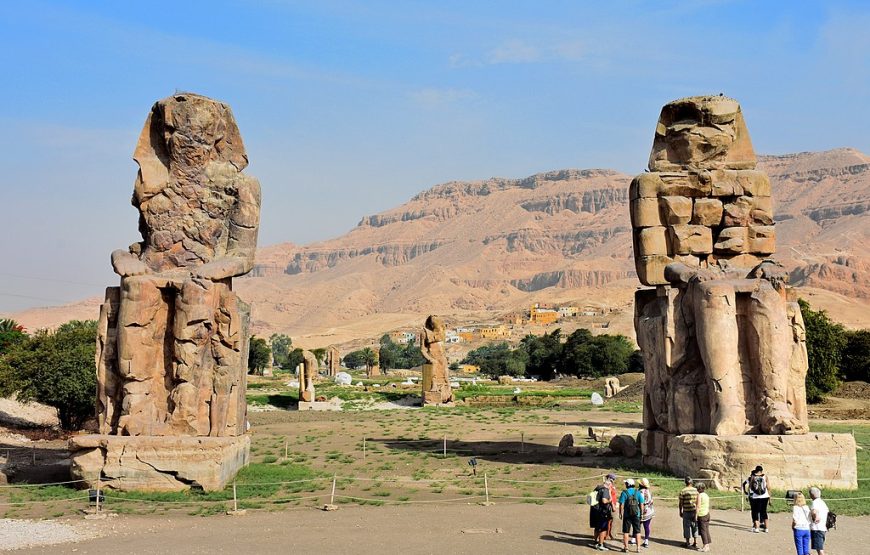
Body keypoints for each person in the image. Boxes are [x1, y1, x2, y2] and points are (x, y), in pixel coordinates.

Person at [618, 478, 645, 553]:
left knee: (626, 532)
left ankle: (626, 548)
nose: (625, 484)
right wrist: (642, 514)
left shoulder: (624, 493)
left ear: (628, 484)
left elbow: (621, 504)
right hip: (637, 514)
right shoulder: (638, 492)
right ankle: (638, 548)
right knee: (637, 531)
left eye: (626, 483)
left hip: (627, 515)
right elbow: (641, 504)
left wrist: (620, 513)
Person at [742, 465, 771, 532]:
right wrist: (770, 497)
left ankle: (757, 528)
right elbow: (769, 487)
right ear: (761, 470)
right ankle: (766, 528)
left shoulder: (752, 476)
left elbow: (749, 486)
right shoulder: (765, 476)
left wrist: (747, 493)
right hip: (765, 496)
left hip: (755, 496)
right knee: (764, 512)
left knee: (755, 512)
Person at [590, 477, 614, 551]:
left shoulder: (598, 488)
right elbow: (604, 501)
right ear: (609, 484)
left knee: (597, 527)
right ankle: (600, 544)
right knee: (603, 529)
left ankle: (595, 541)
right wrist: (610, 500)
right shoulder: (605, 490)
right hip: (602, 512)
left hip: (595, 510)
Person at [679, 477, 700, 549]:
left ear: (685, 482)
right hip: (694, 511)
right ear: (691, 482)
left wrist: (680, 511)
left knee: (686, 527)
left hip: (686, 511)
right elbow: (698, 502)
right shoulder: (696, 491)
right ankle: (695, 542)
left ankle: (687, 543)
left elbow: (681, 503)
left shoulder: (683, 491)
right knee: (695, 526)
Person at [809, 487, 829, 555]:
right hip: (823, 528)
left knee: (820, 549)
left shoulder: (815, 502)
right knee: (819, 548)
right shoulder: (822, 502)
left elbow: (814, 511)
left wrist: (816, 516)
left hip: (817, 528)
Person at [639, 478, 655, 549]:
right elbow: (652, 501)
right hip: (649, 511)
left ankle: (634, 539)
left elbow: (640, 502)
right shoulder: (649, 492)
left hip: (641, 511)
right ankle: (646, 541)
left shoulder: (639, 492)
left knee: (637, 526)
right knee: (647, 526)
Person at [696, 482, 712, 552]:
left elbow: (698, 506)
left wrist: (696, 515)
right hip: (707, 514)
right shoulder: (706, 495)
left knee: (703, 531)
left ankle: (705, 545)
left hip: (702, 514)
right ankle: (707, 545)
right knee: (706, 530)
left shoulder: (700, 495)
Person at [606, 473, 620, 540]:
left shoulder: (610, 485)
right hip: (610, 505)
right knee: (609, 520)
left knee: (610, 520)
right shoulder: (609, 485)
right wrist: (613, 505)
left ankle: (609, 533)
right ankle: (607, 534)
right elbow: (610, 496)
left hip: (613, 504)